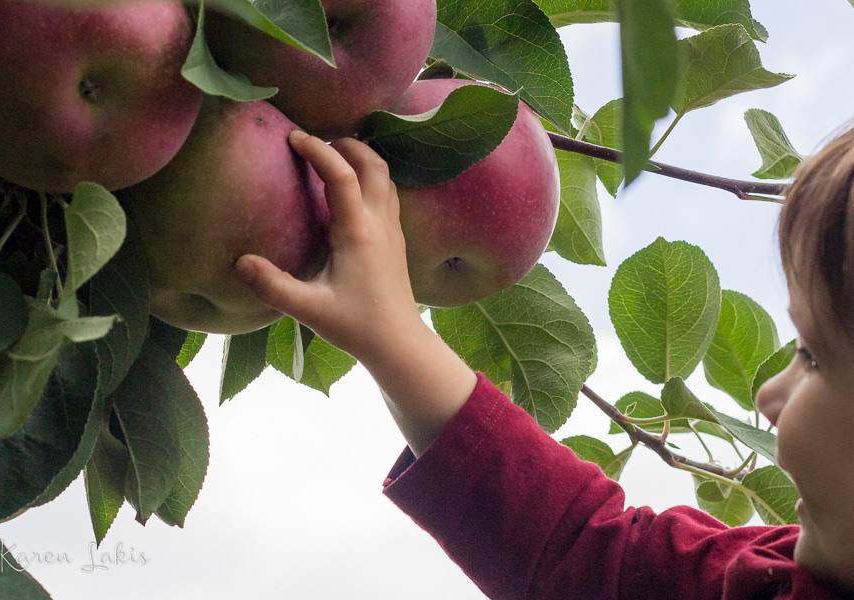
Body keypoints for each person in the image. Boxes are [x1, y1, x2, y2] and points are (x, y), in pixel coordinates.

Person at [235, 128, 854, 599]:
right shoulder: (768, 577)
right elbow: (585, 554)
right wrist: (390, 337)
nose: (770, 395)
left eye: (814, 358)